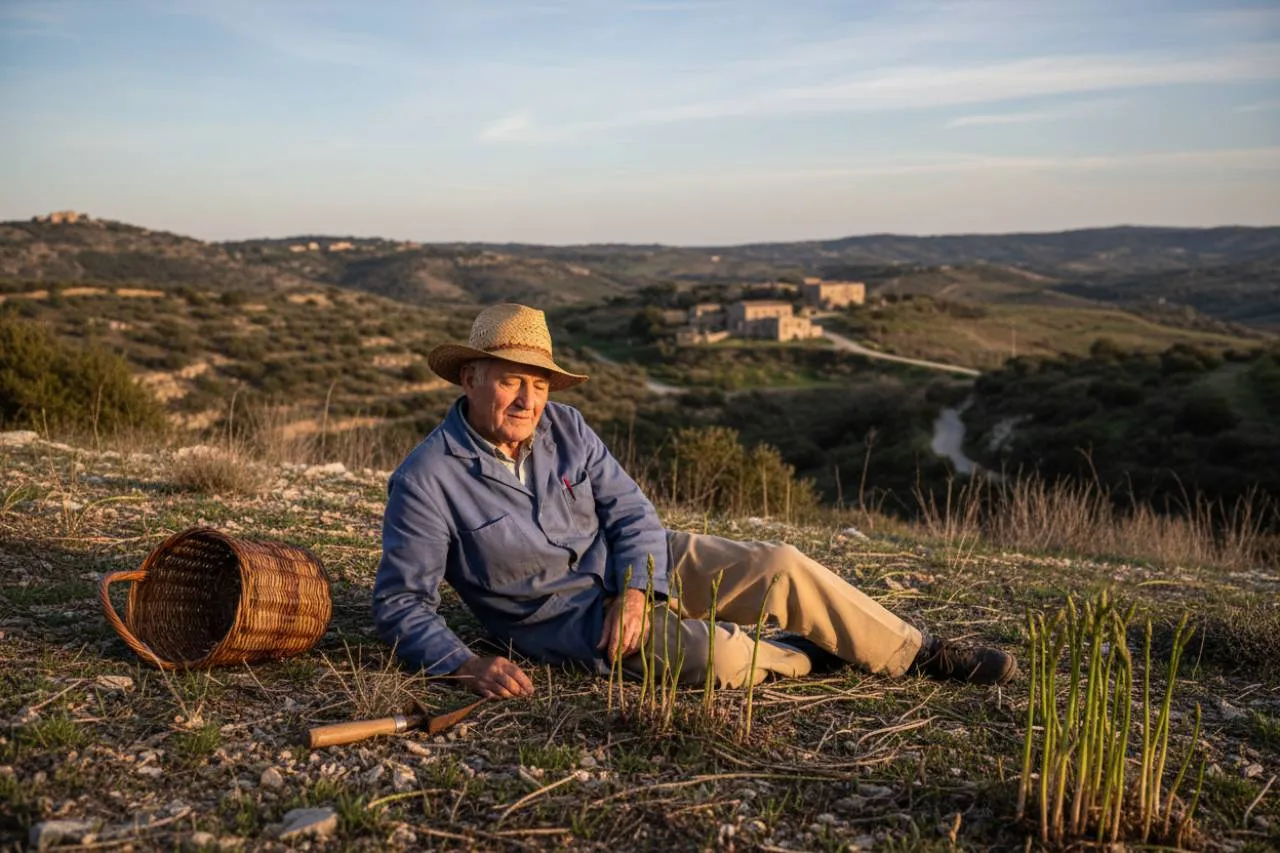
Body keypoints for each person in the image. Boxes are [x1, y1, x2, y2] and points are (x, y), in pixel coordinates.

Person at [373, 303, 1016, 699]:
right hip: (567, 624)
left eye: (537, 384)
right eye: (511, 380)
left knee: (780, 562)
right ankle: (806, 653)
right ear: (470, 377)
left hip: (641, 571)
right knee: (716, 656)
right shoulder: (425, 477)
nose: (527, 401)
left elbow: (632, 514)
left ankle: (919, 652)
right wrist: (461, 662)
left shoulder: (567, 426)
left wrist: (635, 590)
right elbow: (402, 602)